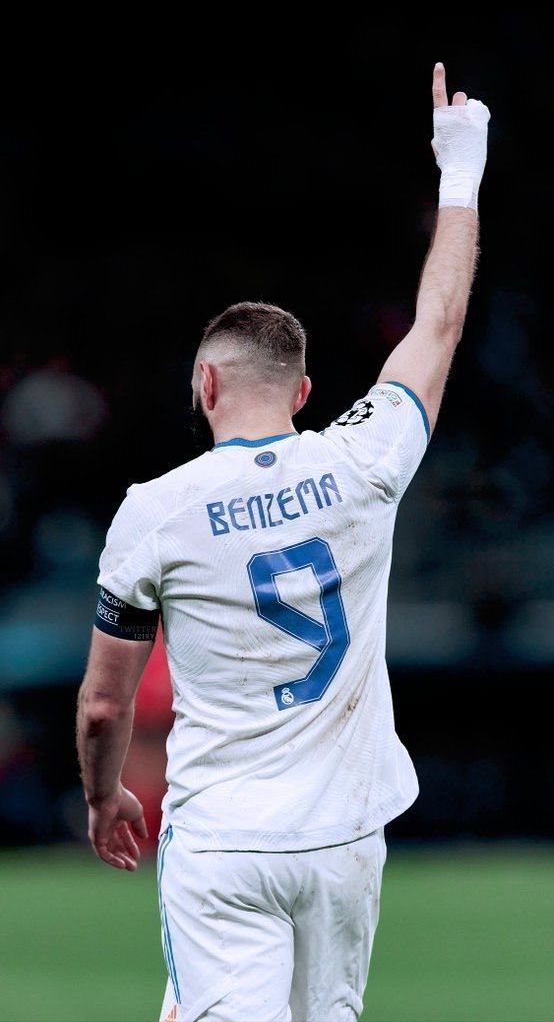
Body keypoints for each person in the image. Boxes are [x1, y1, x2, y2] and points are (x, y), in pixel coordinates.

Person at [77, 63, 490, 1022]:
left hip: (224, 843)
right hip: (345, 839)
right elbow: (440, 321)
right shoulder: (364, 462)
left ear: (205, 387)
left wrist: (103, 800)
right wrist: (459, 168)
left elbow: (105, 705)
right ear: (305, 395)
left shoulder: (156, 508)